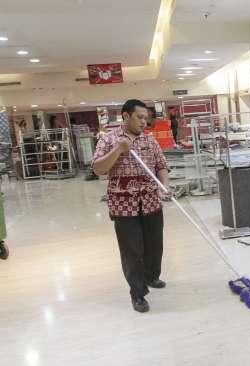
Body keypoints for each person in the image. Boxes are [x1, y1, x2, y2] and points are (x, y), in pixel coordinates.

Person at [92, 99, 171, 313]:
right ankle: (138, 293)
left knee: (154, 246)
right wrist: (118, 149)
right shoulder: (108, 140)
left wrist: (165, 185)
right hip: (123, 206)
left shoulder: (150, 141)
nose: (144, 122)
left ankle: (152, 276)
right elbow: (98, 168)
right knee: (132, 252)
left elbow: (161, 165)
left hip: (151, 202)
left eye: (146, 118)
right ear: (126, 116)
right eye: (140, 117)